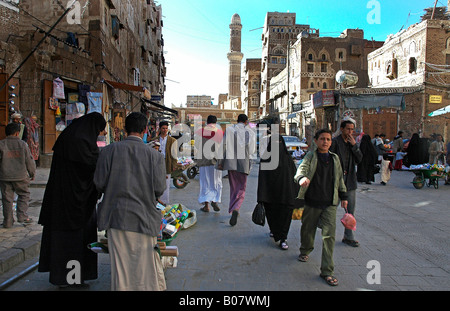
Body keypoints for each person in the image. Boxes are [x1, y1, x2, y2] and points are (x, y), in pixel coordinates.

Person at [94, 112, 167, 291]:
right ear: (144, 131)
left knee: (121, 269)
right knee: (144, 267)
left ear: (125, 129)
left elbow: (99, 183)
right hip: (144, 218)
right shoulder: (155, 156)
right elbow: (159, 188)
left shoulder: (108, 151)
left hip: (116, 216)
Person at [37, 112, 106, 287]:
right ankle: (72, 280)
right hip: (76, 205)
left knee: (65, 243)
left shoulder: (70, 136)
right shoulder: (81, 143)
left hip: (61, 201)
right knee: (74, 245)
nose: (98, 134)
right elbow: (89, 168)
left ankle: (66, 279)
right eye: (98, 130)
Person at [295, 128, 348, 287]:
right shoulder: (311, 156)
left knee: (329, 237)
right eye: (322, 139)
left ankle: (327, 271)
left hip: (330, 203)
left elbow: (339, 178)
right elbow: (301, 170)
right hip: (312, 201)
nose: (325, 142)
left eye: (328, 139)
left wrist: (344, 197)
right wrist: (302, 178)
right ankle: (305, 250)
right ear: (316, 141)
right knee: (307, 229)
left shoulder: (335, 158)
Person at [257, 119, 301, 250]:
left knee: (286, 212)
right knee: (272, 212)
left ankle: (283, 237)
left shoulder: (288, 162)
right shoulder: (266, 160)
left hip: (285, 192)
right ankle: (275, 231)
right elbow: (263, 178)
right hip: (271, 192)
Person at [217, 114, 256, 226]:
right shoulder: (250, 132)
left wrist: (220, 162)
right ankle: (236, 208)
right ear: (246, 121)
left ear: (237, 120)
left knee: (233, 187)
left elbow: (223, 146)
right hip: (243, 164)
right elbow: (252, 150)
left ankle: (234, 208)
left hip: (231, 163)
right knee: (241, 188)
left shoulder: (229, 130)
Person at [330, 120, 363, 247]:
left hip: (349, 182)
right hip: (337, 182)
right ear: (342, 129)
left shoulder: (352, 144)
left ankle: (348, 236)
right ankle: (328, 234)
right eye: (348, 129)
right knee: (331, 209)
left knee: (350, 211)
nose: (350, 132)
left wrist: (354, 146)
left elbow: (359, 159)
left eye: (352, 129)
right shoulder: (335, 142)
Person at [0, 123, 36, 228]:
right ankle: (22, 216)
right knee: (24, 195)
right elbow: (29, 160)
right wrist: (32, 173)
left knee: (7, 198)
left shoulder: (1, 144)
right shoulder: (22, 144)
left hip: (5, 176)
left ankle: (8, 221)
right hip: (20, 176)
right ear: (17, 133)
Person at [195, 115, 224, 213]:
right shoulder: (219, 132)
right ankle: (214, 200)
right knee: (216, 181)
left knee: (205, 182)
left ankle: (206, 206)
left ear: (207, 122)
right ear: (216, 123)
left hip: (204, 161)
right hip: (216, 161)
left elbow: (197, 145)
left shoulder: (200, 131)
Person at [154, 121, 178, 205]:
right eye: (163, 128)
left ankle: (164, 202)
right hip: (157, 163)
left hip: (167, 162)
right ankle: (157, 201)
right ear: (160, 129)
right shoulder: (155, 140)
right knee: (156, 181)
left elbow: (174, 153)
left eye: (166, 128)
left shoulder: (172, 140)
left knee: (166, 183)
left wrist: (174, 165)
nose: (165, 130)